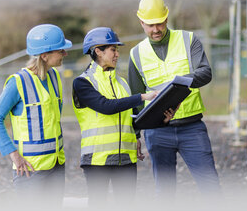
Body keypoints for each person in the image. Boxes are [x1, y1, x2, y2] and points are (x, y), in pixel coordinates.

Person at [128, 0, 221, 199]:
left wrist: (177, 85)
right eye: (150, 25)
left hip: (192, 128)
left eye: (160, 23)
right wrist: (135, 136)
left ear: (167, 18)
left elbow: (205, 72)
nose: (156, 30)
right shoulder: (136, 54)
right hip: (157, 132)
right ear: (141, 22)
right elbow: (136, 99)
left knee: (211, 187)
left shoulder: (189, 39)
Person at [72, 27, 175, 207]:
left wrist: (160, 120)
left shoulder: (122, 83)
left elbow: (132, 116)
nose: (117, 54)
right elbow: (105, 106)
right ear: (98, 51)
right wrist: (142, 96)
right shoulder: (83, 82)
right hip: (98, 159)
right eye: (113, 49)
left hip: (126, 159)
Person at [0, 24, 71, 201]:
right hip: (30, 171)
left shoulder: (55, 77)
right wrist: (14, 154)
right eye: (60, 50)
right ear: (44, 55)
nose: (65, 54)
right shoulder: (18, 82)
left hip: (56, 165)